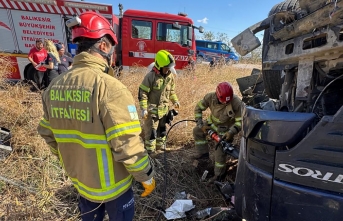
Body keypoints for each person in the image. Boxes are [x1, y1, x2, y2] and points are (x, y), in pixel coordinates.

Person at [37, 11, 155, 221]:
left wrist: (75, 162)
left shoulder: (54, 87)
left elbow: (48, 134)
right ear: (103, 46)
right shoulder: (110, 88)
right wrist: (146, 176)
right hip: (114, 189)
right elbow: (128, 145)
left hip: (82, 184)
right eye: (113, 48)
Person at [193, 82, 242, 183]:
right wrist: (201, 125)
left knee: (220, 152)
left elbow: (240, 121)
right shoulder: (210, 97)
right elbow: (198, 108)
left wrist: (231, 132)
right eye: (222, 101)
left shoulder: (237, 103)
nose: (225, 103)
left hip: (225, 132)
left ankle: (219, 175)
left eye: (227, 102)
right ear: (217, 95)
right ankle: (203, 154)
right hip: (211, 124)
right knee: (196, 131)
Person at [138, 50, 180, 154]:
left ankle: (160, 150)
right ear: (159, 66)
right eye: (166, 68)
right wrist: (143, 109)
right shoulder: (150, 77)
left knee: (162, 132)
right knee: (151, 133)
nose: (168, 69)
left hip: (164, 111)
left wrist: (175, 101)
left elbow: (171, 91)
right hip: (152, 112)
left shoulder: (170, 77)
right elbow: (142, 93)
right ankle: (151, 153)